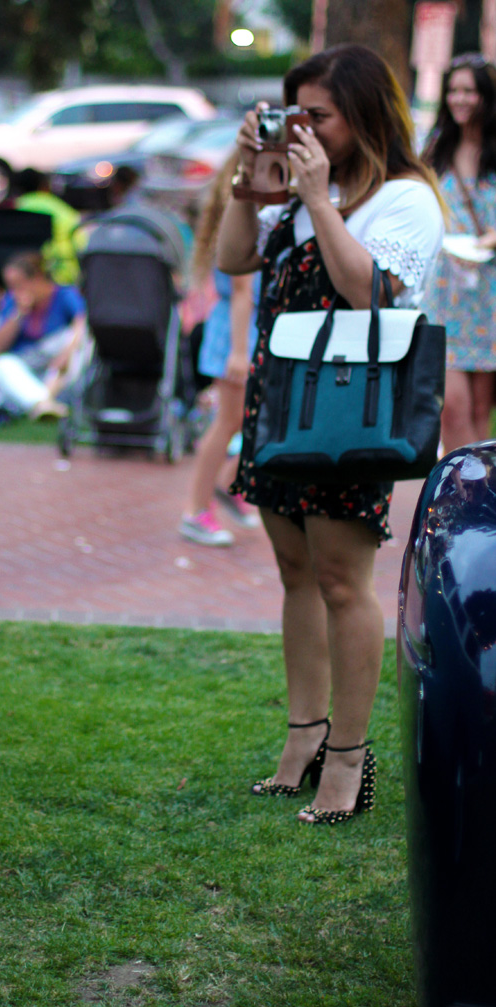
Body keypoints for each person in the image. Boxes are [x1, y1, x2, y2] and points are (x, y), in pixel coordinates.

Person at [217, 44, 445, 824]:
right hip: (281, 402)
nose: (302, 127)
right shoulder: (298, 181)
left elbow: (371, 297)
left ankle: (349, 757)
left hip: (350, 409)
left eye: (319, 114)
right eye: (293, 113)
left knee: (345, 580)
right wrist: (250, 179)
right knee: (294, 572)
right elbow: (232, 255)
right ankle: (302, 739)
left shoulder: (404, 199)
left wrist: (318, 200)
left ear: (365, 114)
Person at [179, 148, 259, 545]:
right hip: (238, 332)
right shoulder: (244, 211)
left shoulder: (240, 206)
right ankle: (196, 510)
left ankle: (228, 485)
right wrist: (240, 352)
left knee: (248, 421)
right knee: (228, 422)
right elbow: (242, 290)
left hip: (242, 327)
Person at [421, 53, 496, 451]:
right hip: (445, 293)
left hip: (490, 296)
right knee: (452, 408)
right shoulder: (435, 150)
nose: (460, 99)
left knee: (482, 410)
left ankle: (486, 508)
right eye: (453, 90)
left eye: (469, 90)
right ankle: (467, 500)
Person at [0, 252, 86, 418]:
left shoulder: (64, 295)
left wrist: (67, 352)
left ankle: (42, 403)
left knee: (79, 339)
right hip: (28, 373)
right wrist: (19, 313)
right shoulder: (12, 301)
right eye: (11, 286)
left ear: (37, 278)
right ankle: (42, 403)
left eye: (20, 285)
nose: (16, 291)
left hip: (61, 373)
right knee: (1, 364)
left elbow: (82, 324)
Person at [13, 168, 86, 286]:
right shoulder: (62, 209)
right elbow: (81, 243)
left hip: (18, 277)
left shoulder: (11, 210)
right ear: (44, 186)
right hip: (61, 275)